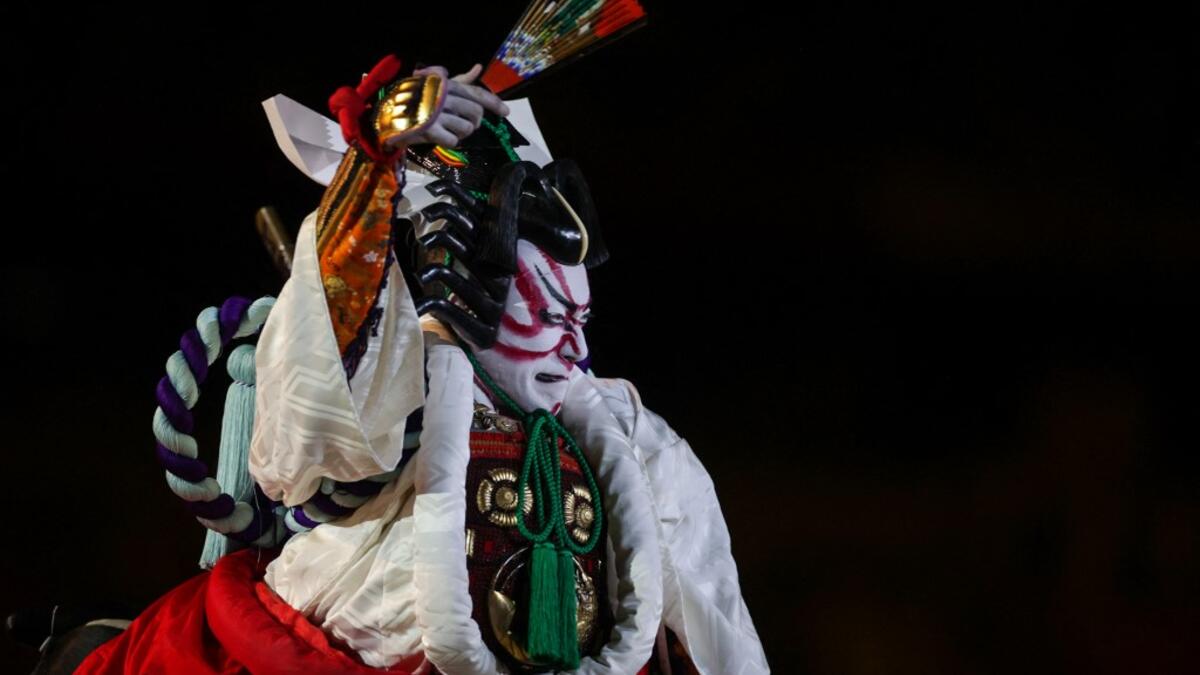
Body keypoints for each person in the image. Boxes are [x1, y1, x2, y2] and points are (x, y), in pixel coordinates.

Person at [76, 57, 768, 674]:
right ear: (469, 297)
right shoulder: (398, 392)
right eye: (547, 318)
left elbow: (713, 614)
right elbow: (318, 389)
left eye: (580, 322)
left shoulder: (626, 430)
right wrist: (377, 159)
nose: (574, 351)